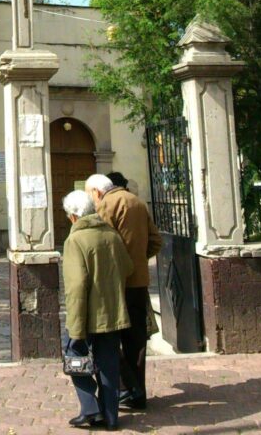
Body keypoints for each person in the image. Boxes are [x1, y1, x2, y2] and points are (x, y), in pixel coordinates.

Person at [86, 172, 163, 411]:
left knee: (106, 338)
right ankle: (138, 394)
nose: (93, 200)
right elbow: (156, 241)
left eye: (92, 196)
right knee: (136, 340)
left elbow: (101, 243)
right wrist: (138, 260)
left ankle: (126, 389)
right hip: (138, 282)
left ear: (97, 192)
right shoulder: (137, 202)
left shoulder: (106, 205)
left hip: (114, 284)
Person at [61, 189, 133, 430]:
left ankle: (90, 409)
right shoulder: (111, 235)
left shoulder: (75, 241)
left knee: (74, 359)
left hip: (86, 314)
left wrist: (75, 325)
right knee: (109, 365)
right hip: (113, 312)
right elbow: (127, 267)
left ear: (73, 216)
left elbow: (76, 286)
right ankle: (111, 416)